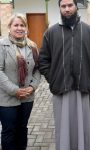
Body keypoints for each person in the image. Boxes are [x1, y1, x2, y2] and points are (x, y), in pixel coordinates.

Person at [38, 0, 90, 150]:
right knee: (64, 127)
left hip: (83, 89)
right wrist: (53, 78)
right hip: (61, 89)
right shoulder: (50, 33)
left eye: (70, 5)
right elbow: (43, 60)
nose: (67, 9)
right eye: (63, 6)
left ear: (76, 6)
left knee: (83, 126)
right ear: (60, 8)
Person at [0, 13, 41, 150]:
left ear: (26, 27)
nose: (19, 28)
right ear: (9, 27)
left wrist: (32, 86)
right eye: (16, 25)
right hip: (7, 97)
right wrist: (15, 90)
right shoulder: (2, 45)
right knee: (9, 130)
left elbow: (37, 69)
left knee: (22, 128)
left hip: (27, 97)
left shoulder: (32, 46)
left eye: (22, 25)